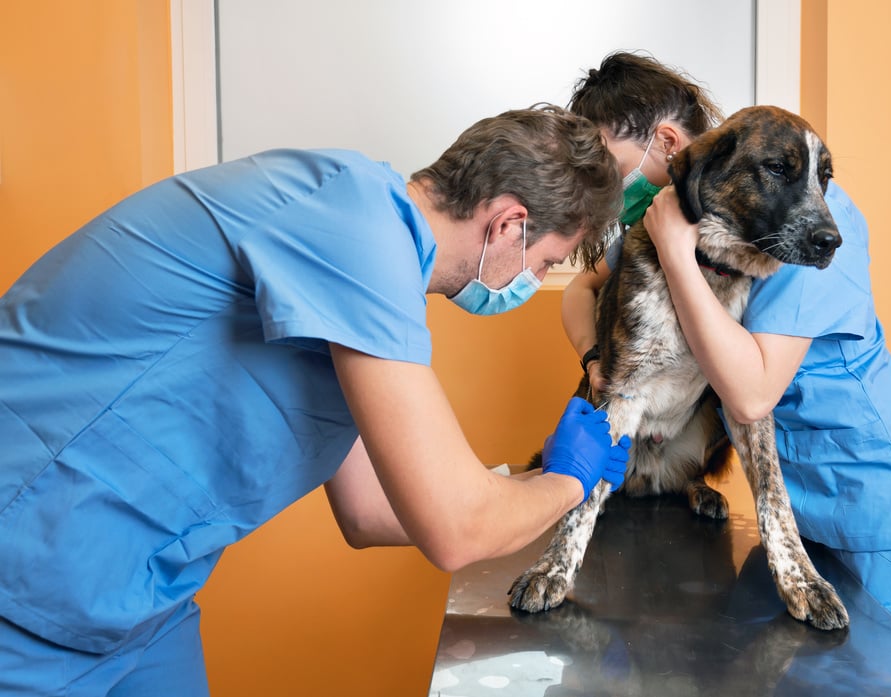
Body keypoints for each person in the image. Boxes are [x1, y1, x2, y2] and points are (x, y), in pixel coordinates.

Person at [0, 105, 633, 696]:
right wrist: (566, 481)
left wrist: (527, 483)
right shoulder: (356, 226)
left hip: (133, 597)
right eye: (545, 262)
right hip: (28, 573)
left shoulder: (366, 271)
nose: (532, 281)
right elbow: (454, 528)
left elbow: (369, 510)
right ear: (508, 224)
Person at [562, 52, 891, 689]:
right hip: (795, 517)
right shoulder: (678, 215)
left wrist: (673, 250)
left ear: (669, 146)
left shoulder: (803, 235)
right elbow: (580, 290)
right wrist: (598, 359)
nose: (611, 195)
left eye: (613, 173)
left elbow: (751, 394)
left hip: (883, 510)